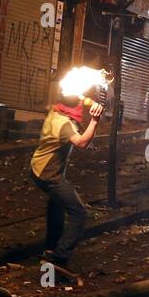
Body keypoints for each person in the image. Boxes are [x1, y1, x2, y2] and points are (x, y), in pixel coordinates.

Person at [30, 90, 104, 268]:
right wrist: (95, 120)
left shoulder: (56, 111)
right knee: (79, 213)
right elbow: (82, 143)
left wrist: (92, 100)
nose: (81, 103)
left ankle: (51, 247)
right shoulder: (64, 125)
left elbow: (79, 98)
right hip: (49, 174)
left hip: (38, 167)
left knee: (56, 204)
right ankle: (59, 257)